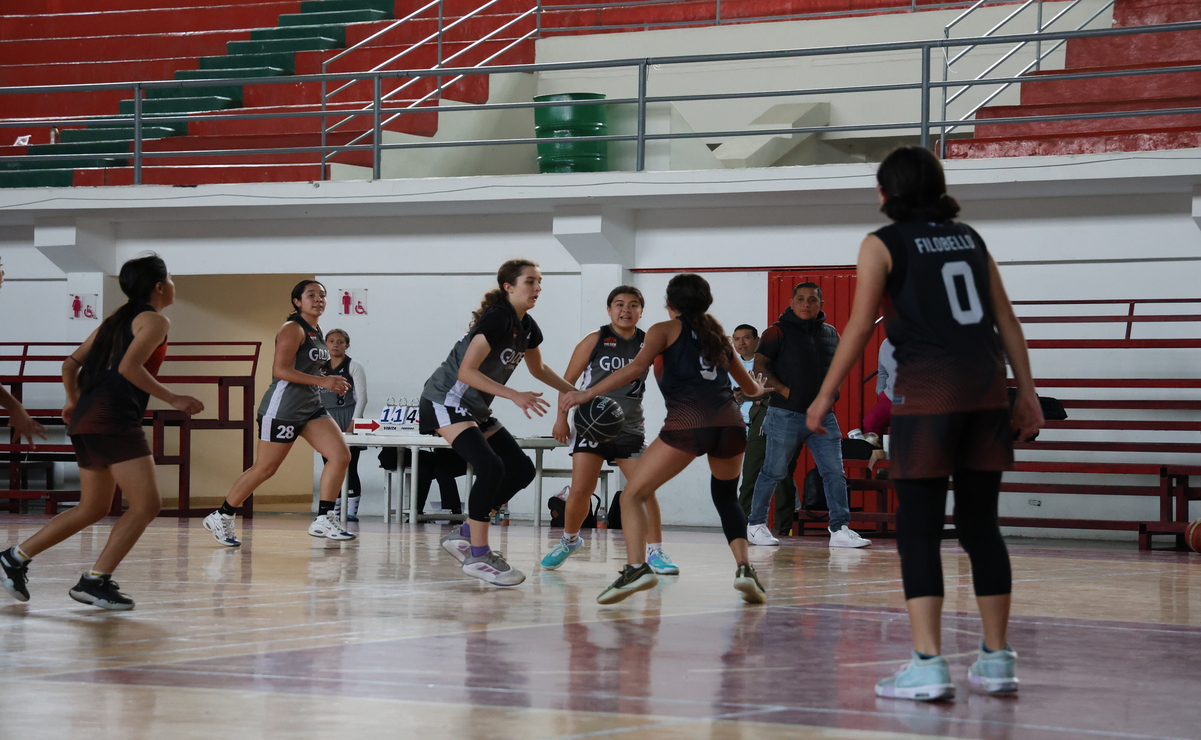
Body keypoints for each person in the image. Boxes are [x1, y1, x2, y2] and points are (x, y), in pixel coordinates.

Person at [806, 145, 1043, 701]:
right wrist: (1026, 393)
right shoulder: (970, 239)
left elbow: (862, 327)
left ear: (884, 194)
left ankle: (928, 663)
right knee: (982, 527)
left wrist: (825, 393)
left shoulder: (880, 243)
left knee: (918, 531)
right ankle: (996, 659)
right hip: (986, 392)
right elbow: (1005, 318)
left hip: (926, 398)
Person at [0, 255, 204, 610]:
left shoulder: (115, 319)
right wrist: (173, 398)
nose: (173, 283)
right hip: (113, 418)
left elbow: (69, 364)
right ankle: (95, 581)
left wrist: (72, 400)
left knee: (93, 506)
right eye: (169, 278)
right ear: (158, 286)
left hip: (86, 417)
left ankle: (14, 558)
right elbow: (129, 367)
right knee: (147, 504)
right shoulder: (156, 321)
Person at [561, 274, 771, 606]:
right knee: (726, 496)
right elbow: (749, 389)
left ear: (669, 303)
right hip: (730, 425)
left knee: (633, 494)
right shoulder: (718, 335)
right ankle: (745, 568)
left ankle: (636, 568)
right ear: (707, 302)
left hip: (688, 423)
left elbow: (635, 368)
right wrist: (760, 389)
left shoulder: (663, 330)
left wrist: (588, 391)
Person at [421, 259, 577, 587]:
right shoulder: (497, 318)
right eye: (530, 282)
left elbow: (538, 369)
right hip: (446, 399)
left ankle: (463, 534)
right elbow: (466, 372)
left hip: (474, 407)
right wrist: (514, 395)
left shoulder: (528, 326)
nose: (537, 288)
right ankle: (478, 554)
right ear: (509, 287)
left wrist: (578, 393)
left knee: (519, 469)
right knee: (490, 467)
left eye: (539, 282)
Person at [203, 280, 355, 546]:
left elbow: (308, 369)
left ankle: (323, 518)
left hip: (311, 406)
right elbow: (280, 371)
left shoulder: (316, 330)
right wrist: (323, 382)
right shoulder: (292, 328)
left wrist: (329, 380)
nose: (318, 299)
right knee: (265, 468)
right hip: (283, 408)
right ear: (297, 302)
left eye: (322, 295)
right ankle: (222, 514)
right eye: (311, 295)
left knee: (340, 455)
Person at [544, 286, 679, 575]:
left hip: (630, 425)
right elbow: (566, 381)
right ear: (609, 310)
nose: (626, 310)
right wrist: (561, 419)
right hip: (590, 425)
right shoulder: (595, 340)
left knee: (645, 489)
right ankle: (569, 540)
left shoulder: (649, 343)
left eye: (633, 305)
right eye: (619, 304)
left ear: (641, 311)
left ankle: (656, 551)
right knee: (581, 489)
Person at [746, 282, 870, 549]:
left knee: (835, 472)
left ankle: (839, 529)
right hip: (784, 415)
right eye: (800, 299)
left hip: (824, 417)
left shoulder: (831, 333)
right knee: (773, 472)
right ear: (791, 303)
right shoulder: (776, 332)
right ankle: (755, 525)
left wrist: (833, 393)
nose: (806, 304)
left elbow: (838, 367)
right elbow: (760, 367)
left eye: (812, 300)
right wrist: (786, 391)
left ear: (820, 304)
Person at [732, 324, 798, 534]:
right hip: (743, 425)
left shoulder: (770, 362)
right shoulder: (729, 366)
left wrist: (755, 397)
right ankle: (743, 526)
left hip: (773, 420)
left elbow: (776, 390)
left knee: (782, 475)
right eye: (736, 339)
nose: (741, 343)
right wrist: (735, 397)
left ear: (757, 339)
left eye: (746, 338)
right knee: (749, 476)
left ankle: (783, 527)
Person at [319, 328, 367, 521]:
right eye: (331, 341)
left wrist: (354, 422)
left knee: (350, 464)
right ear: (325, 344)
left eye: (340, 342)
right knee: (329, 464)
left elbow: (361, 397)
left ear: (347, 345)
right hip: (326, 418)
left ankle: (351, 511)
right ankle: (333, 510)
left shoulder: (354, 366)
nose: (335, 345)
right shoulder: (320, 369)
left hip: (348, 416)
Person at [863, 338, 895, 438]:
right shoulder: (887, 344)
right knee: (870, 421)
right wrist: (881, 391)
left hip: (921, 399)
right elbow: (882, 372)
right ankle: (876, 452)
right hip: (891, 397)